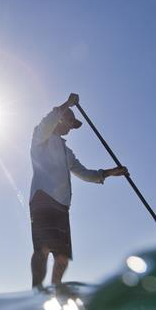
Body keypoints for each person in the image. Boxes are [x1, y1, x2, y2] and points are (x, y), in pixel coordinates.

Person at [29, 93, 128, 290]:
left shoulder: (67, 152)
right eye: (70, 123)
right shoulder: (41, 136)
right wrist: (67, 104)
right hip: (43, 198)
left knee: (63, 256)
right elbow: (49, 121)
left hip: (62, 205)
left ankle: (56, 290)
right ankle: (36, 291)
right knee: (43, 248)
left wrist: (110, 173)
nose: (71, 129)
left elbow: (84, 173)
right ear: (61, 119)